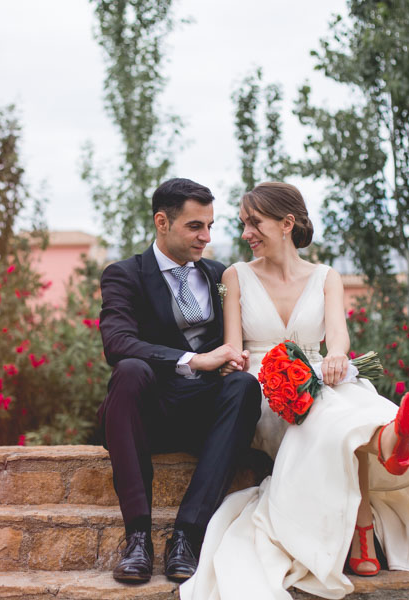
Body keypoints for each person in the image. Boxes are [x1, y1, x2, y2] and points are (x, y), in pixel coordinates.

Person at [181, 182, 409, 599]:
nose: (246, 233)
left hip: (318, 374)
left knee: (347, 402)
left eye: (254, 223)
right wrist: (231, 362)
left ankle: (389, 441)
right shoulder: (233, 277)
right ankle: (378, 478)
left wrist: (335, 357)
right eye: (243, 224)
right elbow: (233, 345)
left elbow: (338, 337)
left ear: (287, 224)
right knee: (334, 415)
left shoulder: (326, 277)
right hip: (264, 385)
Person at [98, 177, 262, 584]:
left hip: (205, 417)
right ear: (162, 222)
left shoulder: (220, 275)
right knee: (130, 369)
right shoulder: (124, 275)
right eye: (195, 226)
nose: (206, 237)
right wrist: (195, 360)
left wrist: (232, 360)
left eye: (209, 226)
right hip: (149, 414)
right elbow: (117, 342)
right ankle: (137, 539)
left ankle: (187, 536)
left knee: (244, 387)